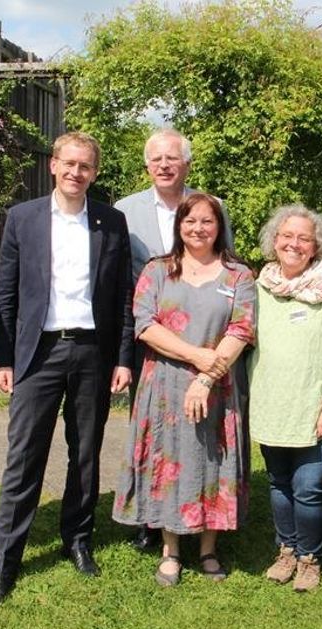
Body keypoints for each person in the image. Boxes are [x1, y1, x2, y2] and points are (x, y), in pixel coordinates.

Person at [0, 132, 133, 606]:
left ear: (95, 172)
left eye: (85, 166)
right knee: (24, 457)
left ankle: (78, 540)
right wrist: (4, 358)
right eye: (69, 163)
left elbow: (123, 296)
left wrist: (123, 358)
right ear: (53, 165)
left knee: (85, 454)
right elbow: (4, 294)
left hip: (92, 352)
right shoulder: (22, 218)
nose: (76, 173)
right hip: (38, 354)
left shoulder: (111, 221)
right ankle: (5, 563)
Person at [112, 193, 255, 586]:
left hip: (219, 386)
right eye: (190, 221)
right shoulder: (157, 270)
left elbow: (241, 329)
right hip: (165, 386)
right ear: (179, 226)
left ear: (219, 226)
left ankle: (208, 548)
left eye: (207, 221)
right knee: (168, 459)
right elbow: (145, 324)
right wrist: (197, 356)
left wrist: (206, 377)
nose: (198, 229)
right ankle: (170, 549)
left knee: (212, 458)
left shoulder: (238, 275)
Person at [114, 128, 233, 552]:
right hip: (147, 336)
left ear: (187, 164)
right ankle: (152, 516)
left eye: (172, 158)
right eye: (156, 159)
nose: (164, 165)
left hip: (206, 340)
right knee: (153, 431)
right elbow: (117, 279)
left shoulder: (211, 207)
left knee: (203, 434)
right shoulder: (124, 211)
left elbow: (226, 265)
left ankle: (202, 512)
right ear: (147, 165)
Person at [248, 204, 322, 592]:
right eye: (287, 236)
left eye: (304, 238)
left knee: (309, 487)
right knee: (278, 483)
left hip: (315, 409)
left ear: (316, 247)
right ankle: (287, 550)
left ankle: (310, 558)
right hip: (271, 404)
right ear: (274, 240)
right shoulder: (259, 288)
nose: (294, 244)